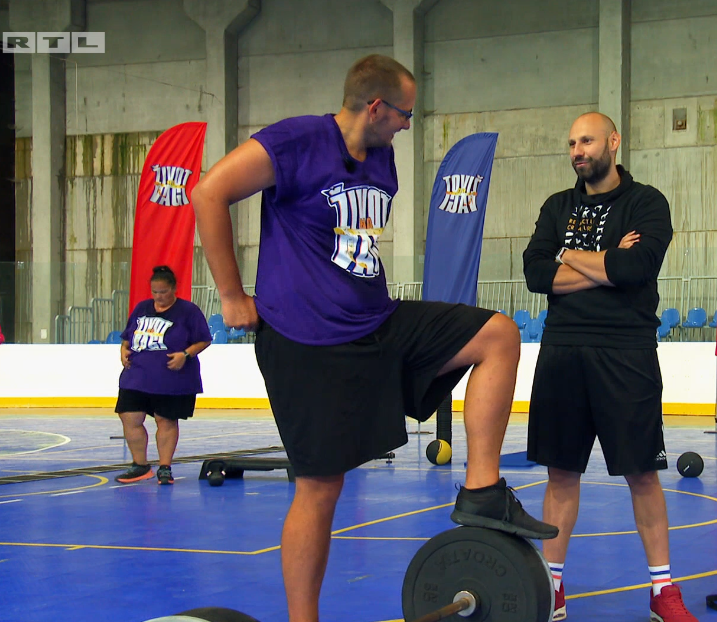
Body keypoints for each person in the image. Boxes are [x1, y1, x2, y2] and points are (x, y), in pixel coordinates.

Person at [190, 54, 556, 622]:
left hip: (376, 324)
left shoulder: (381, 156)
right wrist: (233, 296)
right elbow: (209, 192)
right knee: (319, 488)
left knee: (498, 335)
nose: (408, 126)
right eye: (404, 114)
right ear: (376, 106)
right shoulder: (296, 141)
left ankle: (483, 489)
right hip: (306, 342)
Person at [522, 112, 698, 622]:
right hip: (563, 350)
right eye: (572, 142)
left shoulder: (647, 203)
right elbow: (536, 274)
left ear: (613, 142)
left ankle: (662, 592)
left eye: (588, 141)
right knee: (561, 474)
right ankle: (551, 589)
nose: (578, 150)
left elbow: (634, 268)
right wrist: (602, 262)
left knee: (643, 474)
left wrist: (570, 256)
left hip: (626, 351)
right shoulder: (557, 206)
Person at [114, 265, 212, 485]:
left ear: (174, 289)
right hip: (137, 374)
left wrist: (185, 355)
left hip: (171, 378)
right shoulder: (142, 308)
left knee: (165, 419)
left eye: (163, 292)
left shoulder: (188, 311)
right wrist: (124, 349)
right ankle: (140, 465)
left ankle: (165, 467)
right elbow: (128, 335)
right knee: (129, 416)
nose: (159, 297)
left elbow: (204, 339)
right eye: (155, 292)